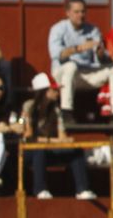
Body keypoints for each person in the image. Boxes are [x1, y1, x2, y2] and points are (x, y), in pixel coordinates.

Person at [49, 0, 113, 119]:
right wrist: (78, 48)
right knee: (70, 66)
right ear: (68, 13)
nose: (80, 15)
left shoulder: (93, 30)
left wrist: (100, 54)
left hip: (87, 72)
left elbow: (100, 59)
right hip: (64, 74)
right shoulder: (58, 29)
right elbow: (56, 55)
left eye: (83, 11)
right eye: (76, 12)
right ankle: (66, 111)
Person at [21, 72, 96, 201]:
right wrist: (52, 140)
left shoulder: (55, 110)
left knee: (76, 151)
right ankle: (40, 190)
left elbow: (63, 137)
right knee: (39, 150)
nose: (57, 92)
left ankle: (82, 190)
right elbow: (30, 137)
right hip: (30, 151)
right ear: (44, 91)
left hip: (49, 148)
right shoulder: (29, 107)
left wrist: (61, 141)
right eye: (54, 89)